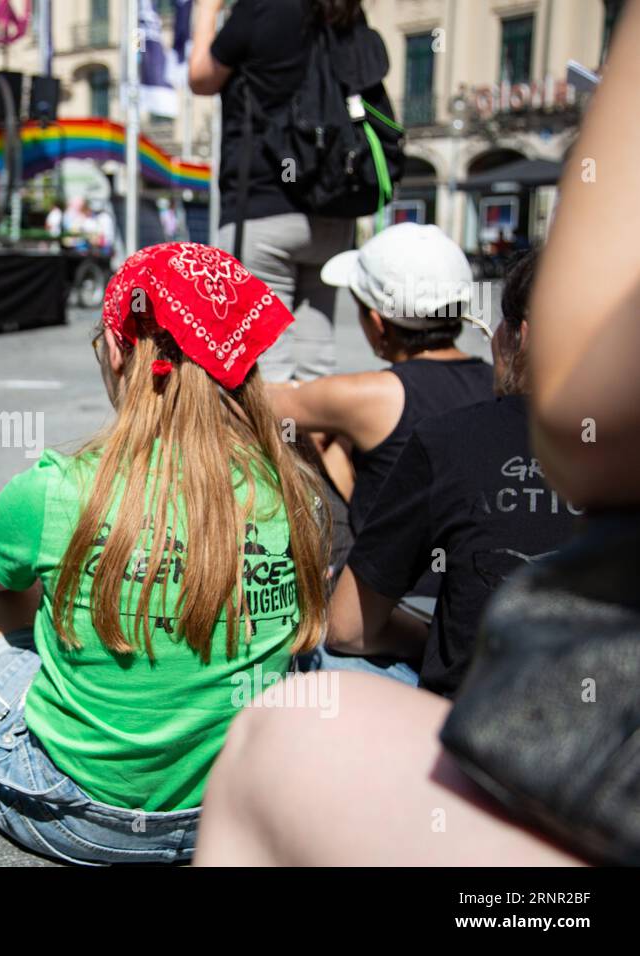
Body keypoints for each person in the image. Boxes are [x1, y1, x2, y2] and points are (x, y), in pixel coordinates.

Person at [193, 5, 640, 867]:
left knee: (287, 722)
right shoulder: (352, 24)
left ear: (377, 321)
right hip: (329, 204)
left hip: (487, 689)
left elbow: (256, 400)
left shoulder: (382, 399)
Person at [0, 242, 328, 864]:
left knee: (6, 567)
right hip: (229, 816)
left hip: (71, 816)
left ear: (121, 349)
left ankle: (1, 653)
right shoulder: (290, 490)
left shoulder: (61, 487)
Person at [316, 250, 583, 693]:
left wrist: (427, 639)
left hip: (477, 727)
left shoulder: (450, 436)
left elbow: (348, 628)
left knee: (325, 652)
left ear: (524, 336)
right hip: (618, 730)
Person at [267, 223, 494, 566]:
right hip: (467, 579)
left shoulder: (370, 394)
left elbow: (262, 401)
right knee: (341, 438)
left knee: (301, 436)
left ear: (377, 322)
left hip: (390, 598)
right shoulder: (494, 381)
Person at [190, 0, 371, 381]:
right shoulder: (344, 11)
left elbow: (201, 77)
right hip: (332, 207)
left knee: (266, 368)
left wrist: (206, 10)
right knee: (314, 360)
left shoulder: (261, 7)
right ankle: (315, 439)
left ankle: (277, 440)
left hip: (264, 205)